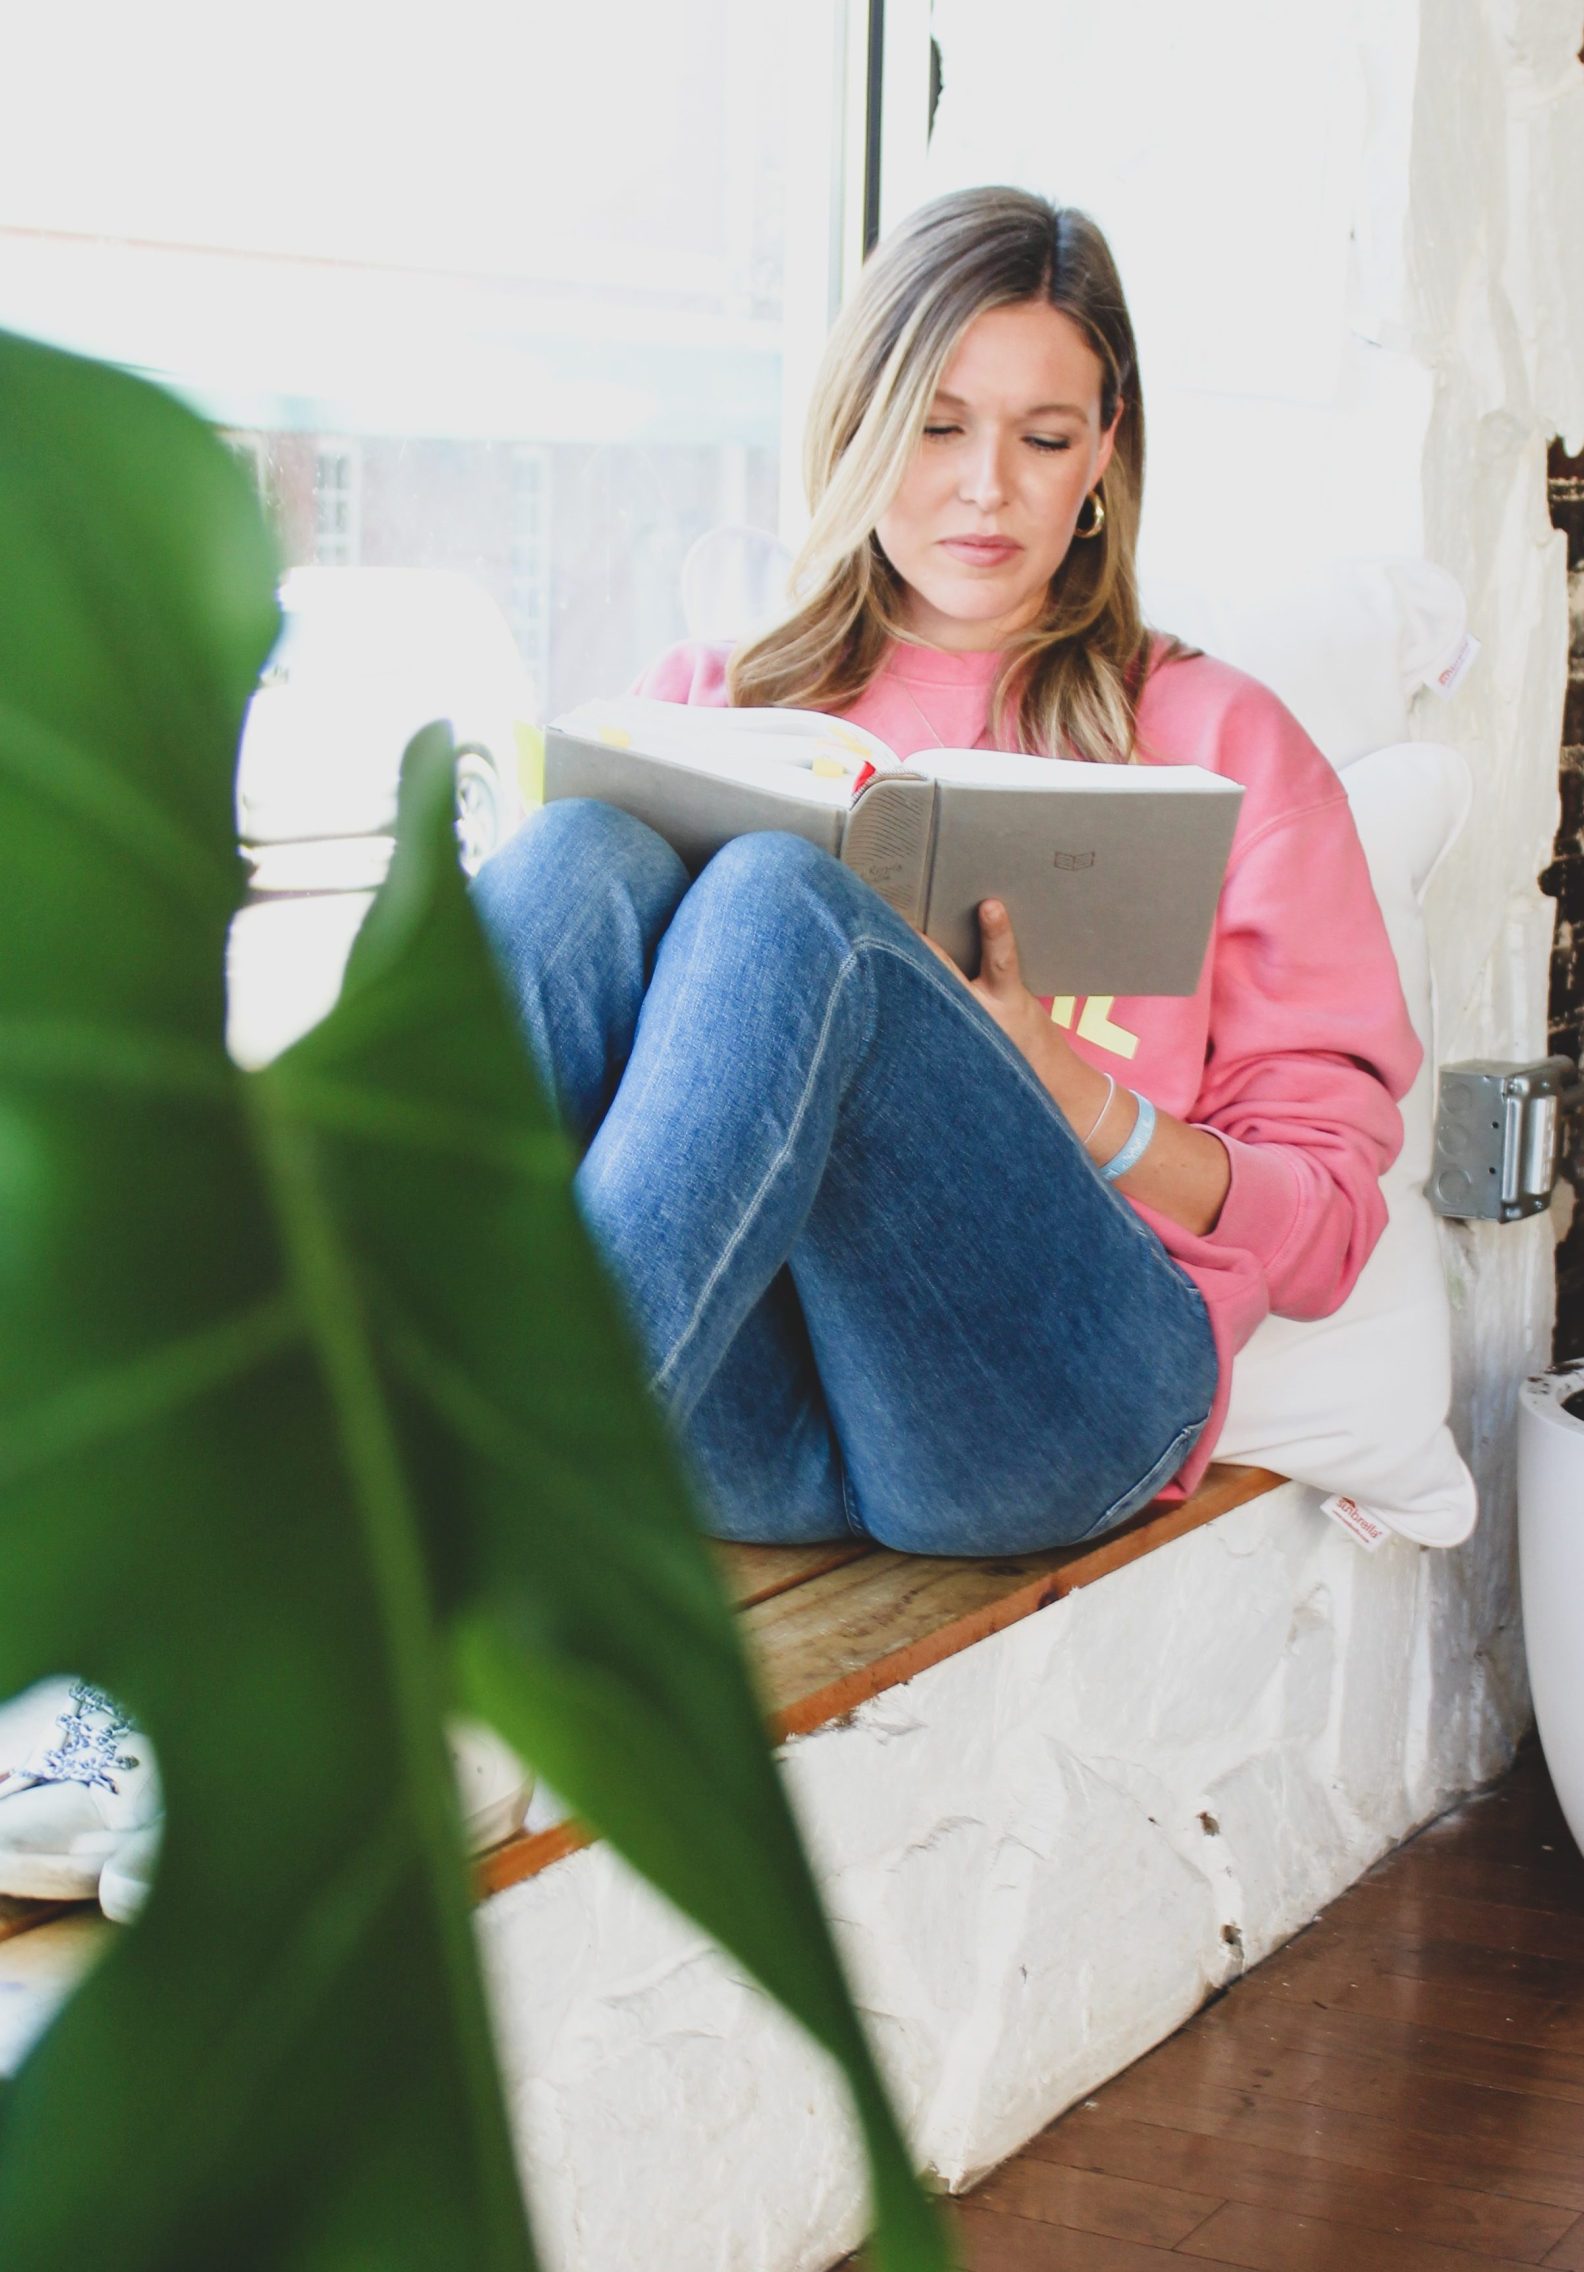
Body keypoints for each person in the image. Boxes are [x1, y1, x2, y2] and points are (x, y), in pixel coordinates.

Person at [470, 183, 1421, 1559]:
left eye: (1042, 438)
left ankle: (411, 1578)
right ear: (858, 429)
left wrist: (1078, 1100)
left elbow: (1330, 1230)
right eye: (936, 428)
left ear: (1103, 452)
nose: (988, 487)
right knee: (577, 850)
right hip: (731, 1411)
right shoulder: (707, 700)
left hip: (1047, 1408)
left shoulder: (1221, 740)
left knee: (782, 907)